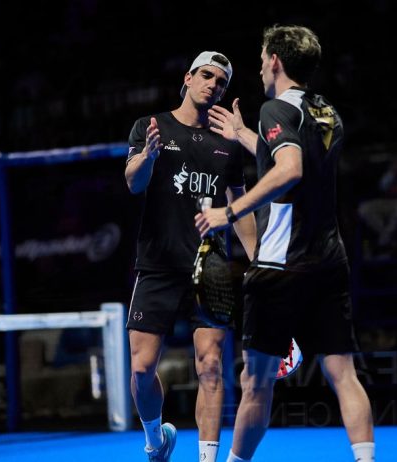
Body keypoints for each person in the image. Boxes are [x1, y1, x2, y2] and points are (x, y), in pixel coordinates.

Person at [195, 25, 375, 462]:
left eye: (260, 58)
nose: (258, 66)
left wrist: (228, 212)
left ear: (275, 59)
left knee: (256, 384)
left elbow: (289, 170)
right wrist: (244, 136)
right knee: (345, 376)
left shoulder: (275, 108)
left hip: (279, 266)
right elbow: (293, 162)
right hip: (329, 259)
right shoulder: (325, 110)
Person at [125, 50, 256, 462]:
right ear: (188, 77)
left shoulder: (227, 141)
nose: (212, 85)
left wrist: (258, 262)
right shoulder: (151, 127)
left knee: (211, 366)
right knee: (142, 370)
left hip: (211, 264)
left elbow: (240, 209)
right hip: (158, 265)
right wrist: (147, 155)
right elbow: (133, 183)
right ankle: (156, 438)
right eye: (206, 76)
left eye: (220, 82)